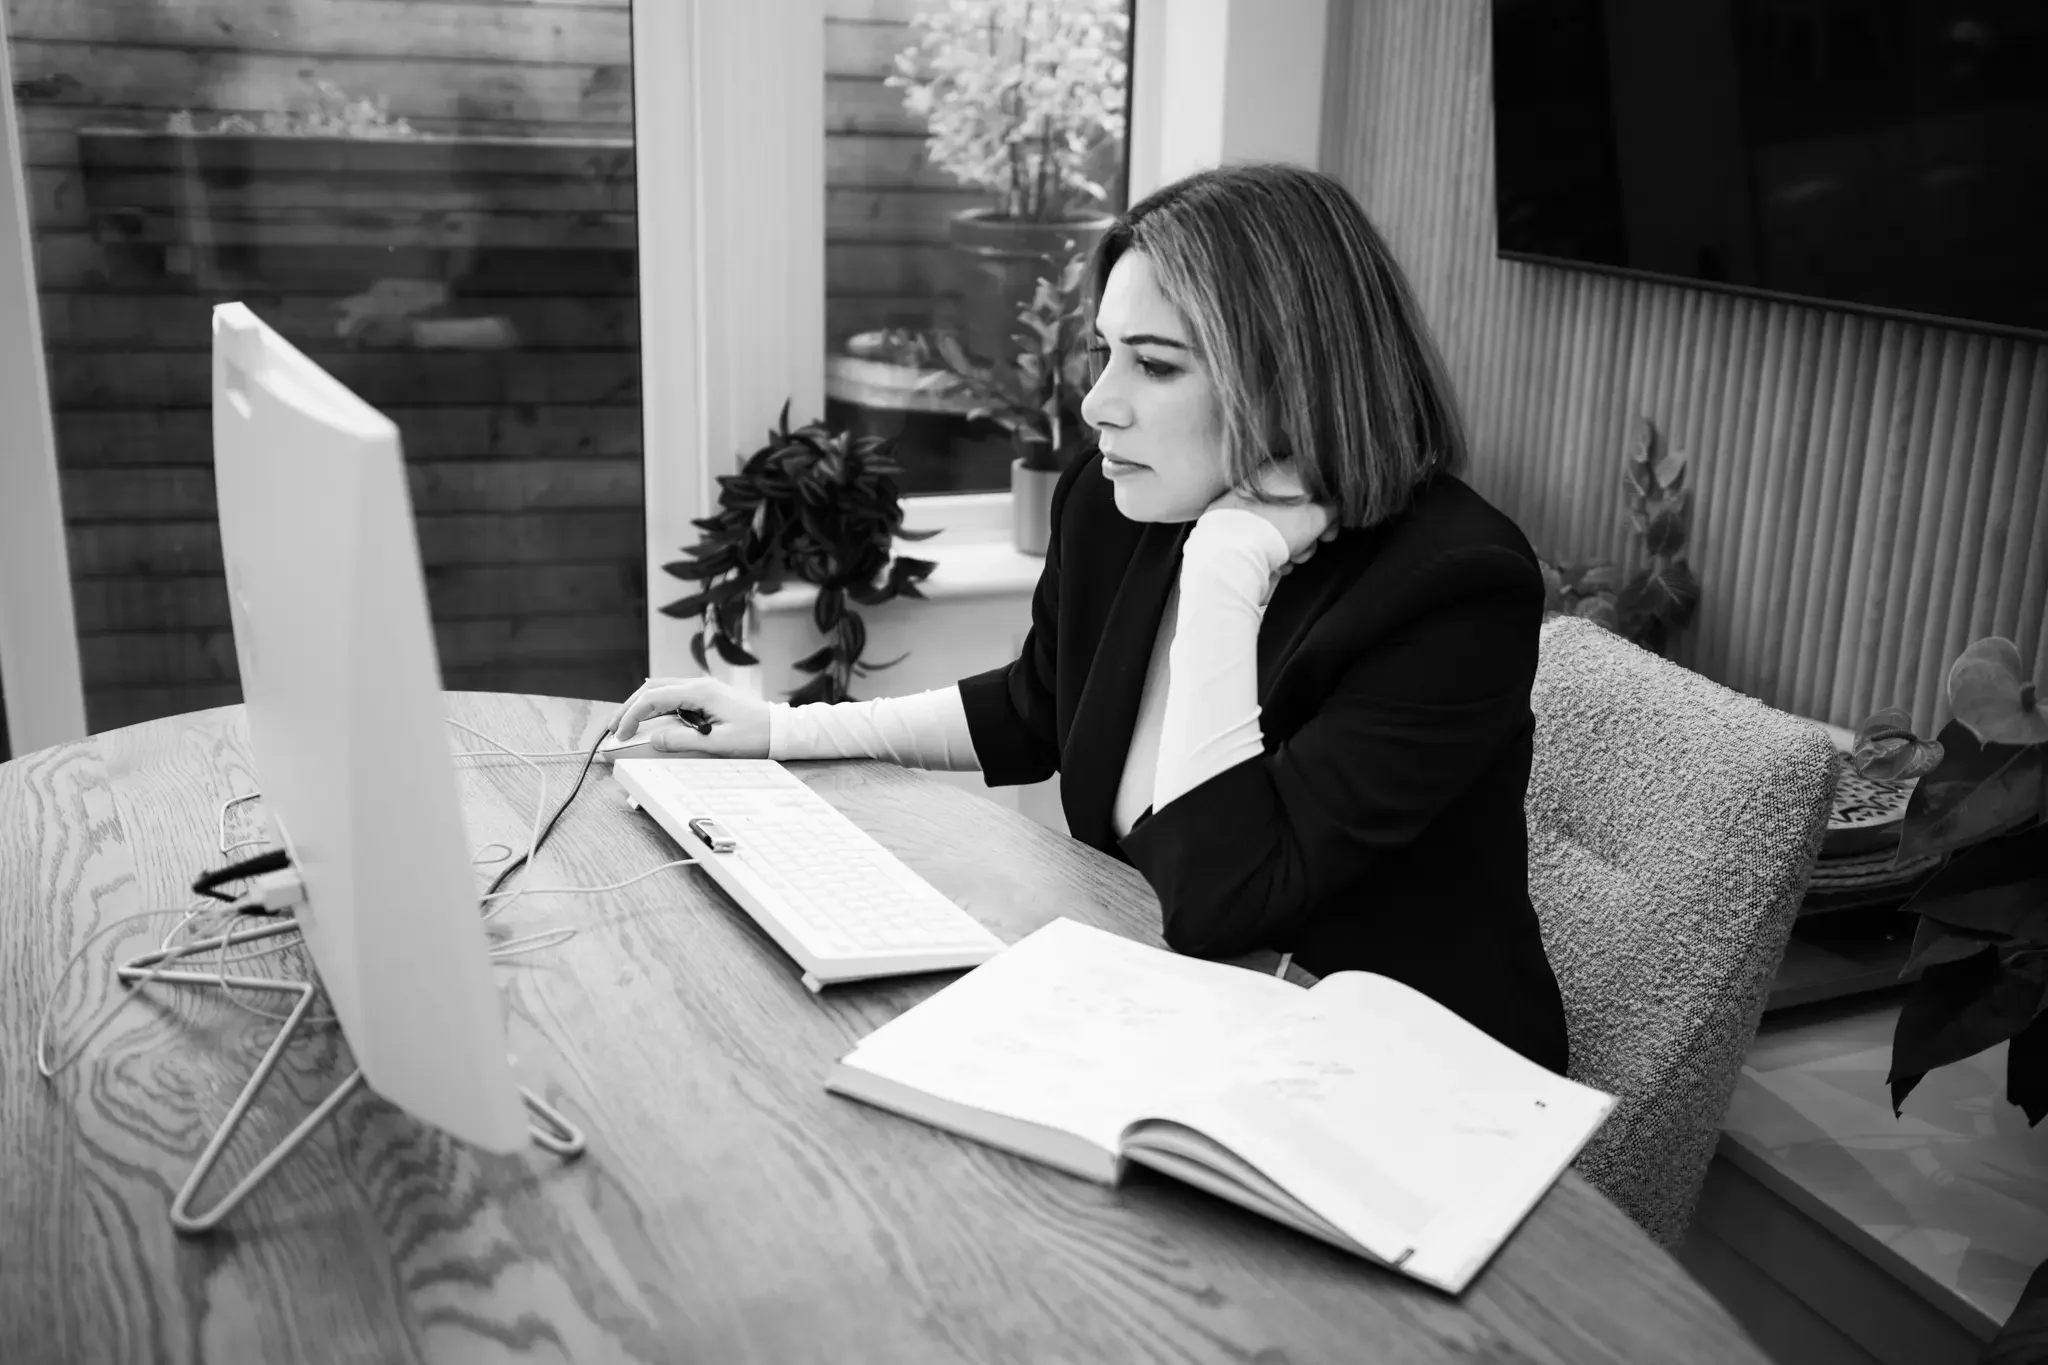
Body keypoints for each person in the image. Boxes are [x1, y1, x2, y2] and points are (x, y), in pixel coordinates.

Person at [613, 163, 1570, 1075]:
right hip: (1188, 1014)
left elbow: (1219, 895)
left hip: (1403, 1084)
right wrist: (779, 729)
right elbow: (1037, 705)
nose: (1098, 403)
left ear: (1296, 379)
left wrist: (1227, 574)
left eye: (1155, 365)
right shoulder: (1119, 503)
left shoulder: (1452, 587)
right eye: (1106, 353)